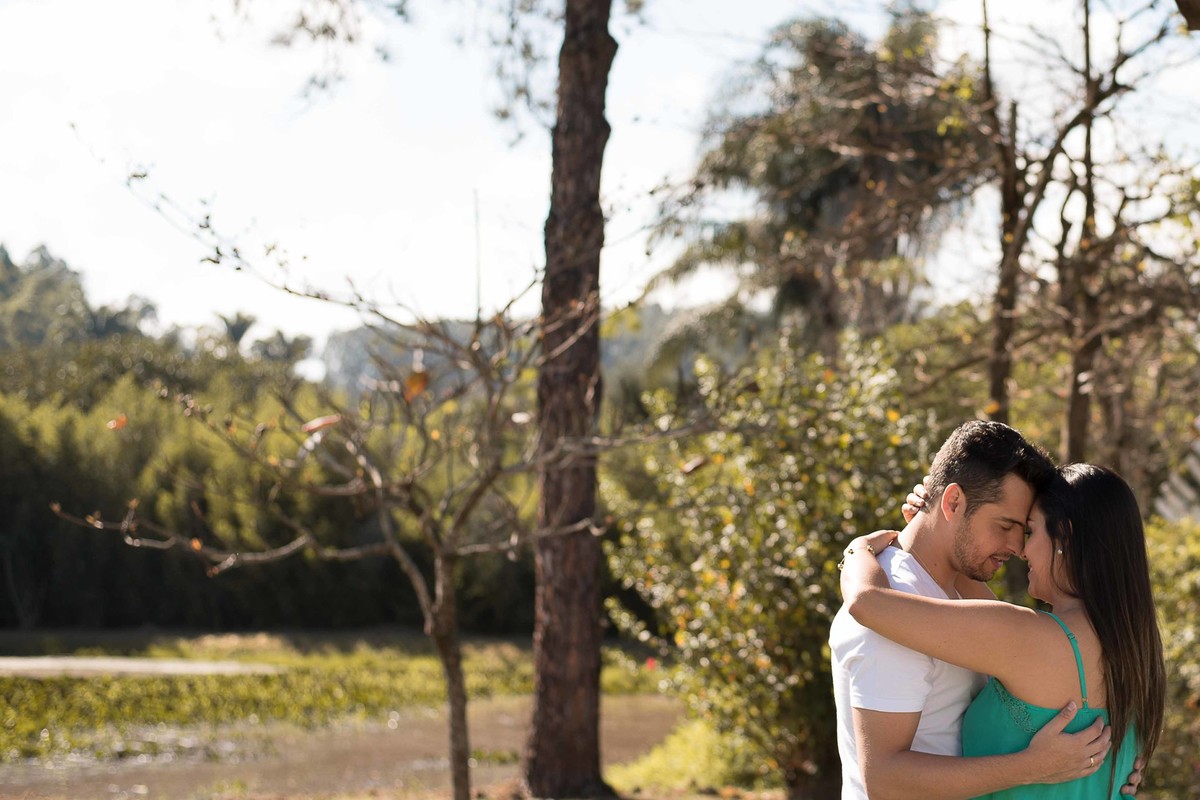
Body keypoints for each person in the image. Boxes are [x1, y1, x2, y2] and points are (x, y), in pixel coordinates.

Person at [828, 421, 1146, 800]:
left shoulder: (972, 616)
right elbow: (883, 780)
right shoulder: (900, 598)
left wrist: (857, 550)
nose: (1017, 547)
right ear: (953, 503)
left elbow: (872, 598)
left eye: (1027, 530)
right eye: (1008, 525)